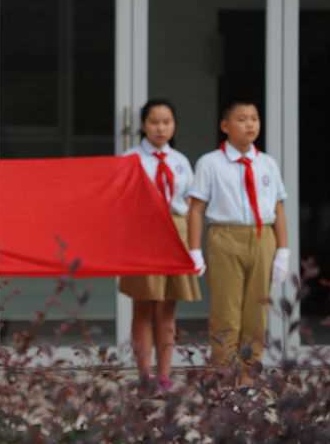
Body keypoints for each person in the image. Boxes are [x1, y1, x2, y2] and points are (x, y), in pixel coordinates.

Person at [187, 100, 290, 387]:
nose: (250, 125)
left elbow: (279, 208)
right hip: (225, 236)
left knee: (257, 312)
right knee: (227, 311)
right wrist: (194, 250)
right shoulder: (210, 163)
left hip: (262, 236)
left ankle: (248, 375)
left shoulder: (267, 163)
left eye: (254, 118)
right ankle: (224, 374)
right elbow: (196, 208)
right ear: (225, 126)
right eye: (242, 119)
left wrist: (283, 249)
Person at [120, 100, 202, 392]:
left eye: (167, 122)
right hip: (142, 232)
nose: (160, 128)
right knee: (143, 306)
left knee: (168, 308)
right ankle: (144, 374)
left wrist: (194, 248)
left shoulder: (180, 161)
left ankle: (165, 374)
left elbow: (192, 206)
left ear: (174, 125)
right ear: (143, 124)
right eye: (154, 121)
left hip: (175, 231)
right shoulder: (131, 158)